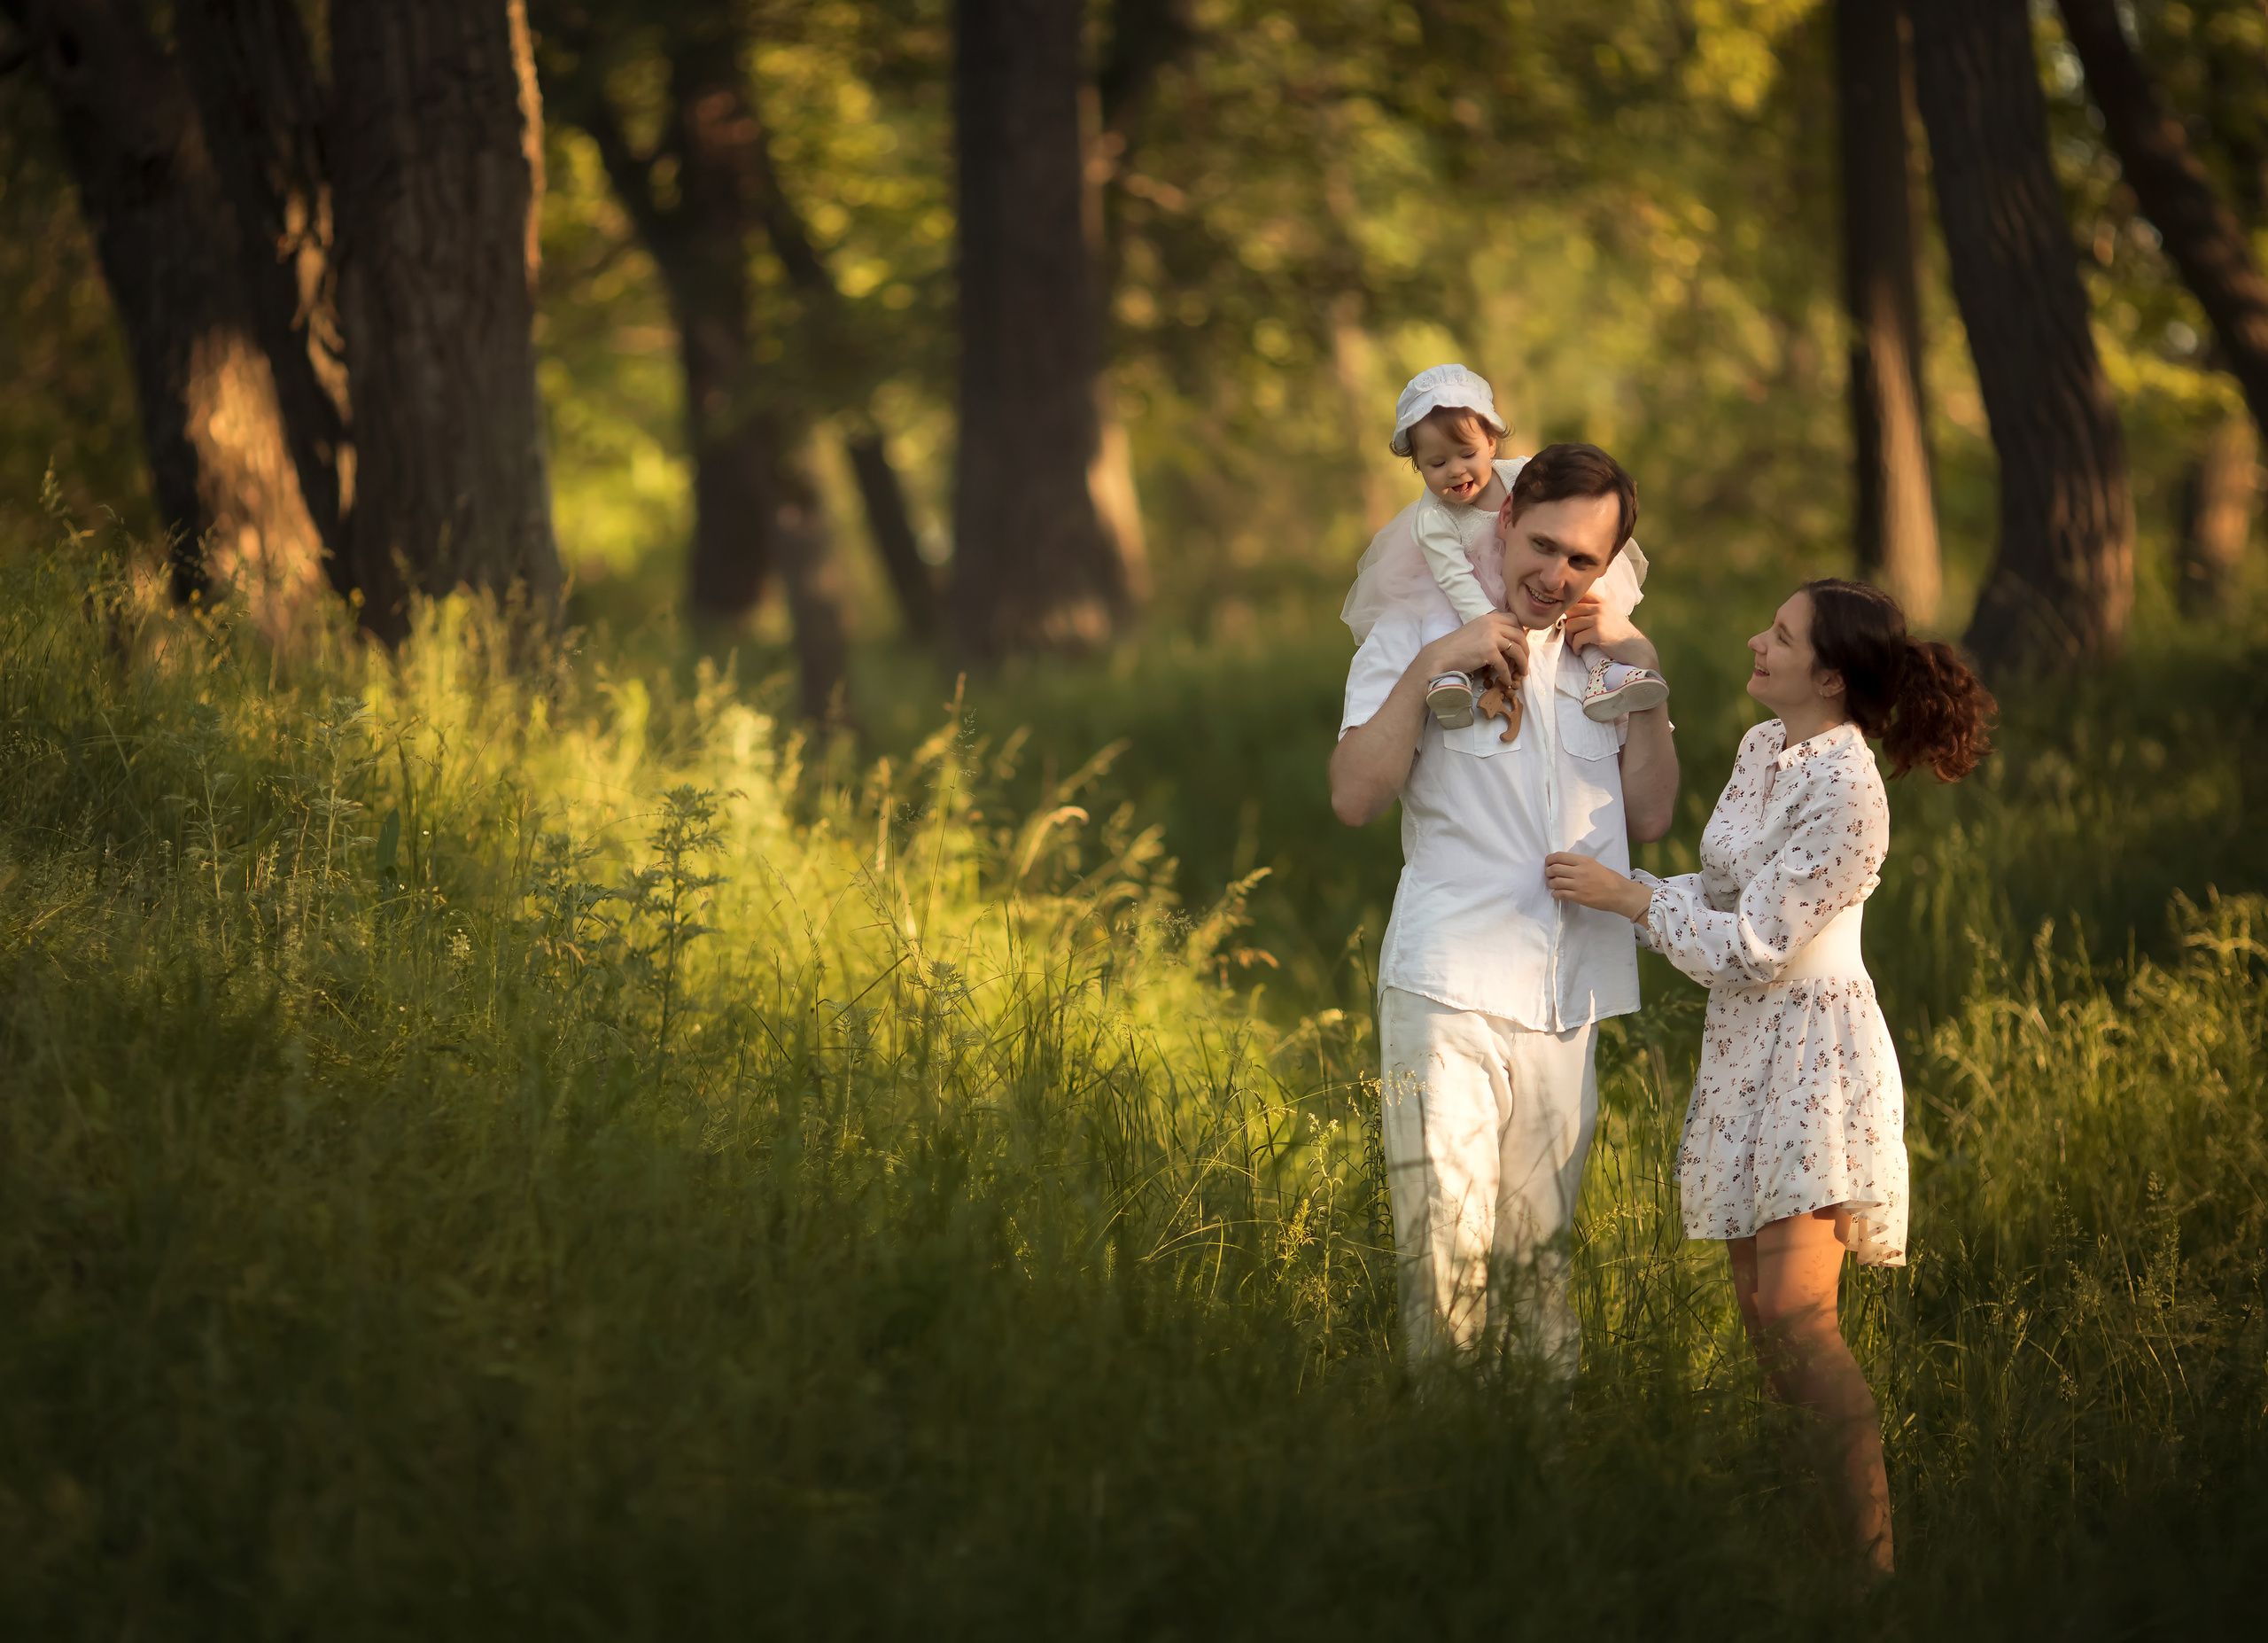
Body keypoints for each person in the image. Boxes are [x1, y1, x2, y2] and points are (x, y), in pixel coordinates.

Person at [1542, 578, 1996, 1577]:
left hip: (1811, 1056)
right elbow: (1715, 890)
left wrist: (1626, 901)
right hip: (1745, 1048)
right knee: (1760, 1319)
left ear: (1828, 676)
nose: (1757, 640)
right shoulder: (1763, 749)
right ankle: (1811, 1545)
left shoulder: (1849, 791)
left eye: (1780, 635)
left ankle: (1874, 1574)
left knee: (1799, 1316)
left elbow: (1753, 947)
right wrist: (1615, 886)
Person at [1331, 442, 1680, 1376]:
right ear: (1505, 517)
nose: (1556, 575)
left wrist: (1642, 678)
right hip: (1451, 987)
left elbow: (1649, 815)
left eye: (1583, 562)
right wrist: (1437, 661)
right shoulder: (1413, 633)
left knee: (1542, 1269)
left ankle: (1541, 1479)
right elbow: (1353, 798)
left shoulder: (1607, 655)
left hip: (1572, 996)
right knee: (1447, 1260)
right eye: (1542, 546)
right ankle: (1452, 1475)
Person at [1340, 363, 1669, 729]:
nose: (1455, 470)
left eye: (1467, 455)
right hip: (1467, 586)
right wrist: (1489, 626)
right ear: (1417, 465)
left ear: (1491, 444)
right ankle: (1450, 680)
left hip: (1525, 568)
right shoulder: (1433, 520)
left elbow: (1561, 517)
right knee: (1437, 612)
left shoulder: (1519, 474)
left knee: (1587, 607)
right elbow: (1456, 580)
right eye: (1437, 462)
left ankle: (1602, 671)